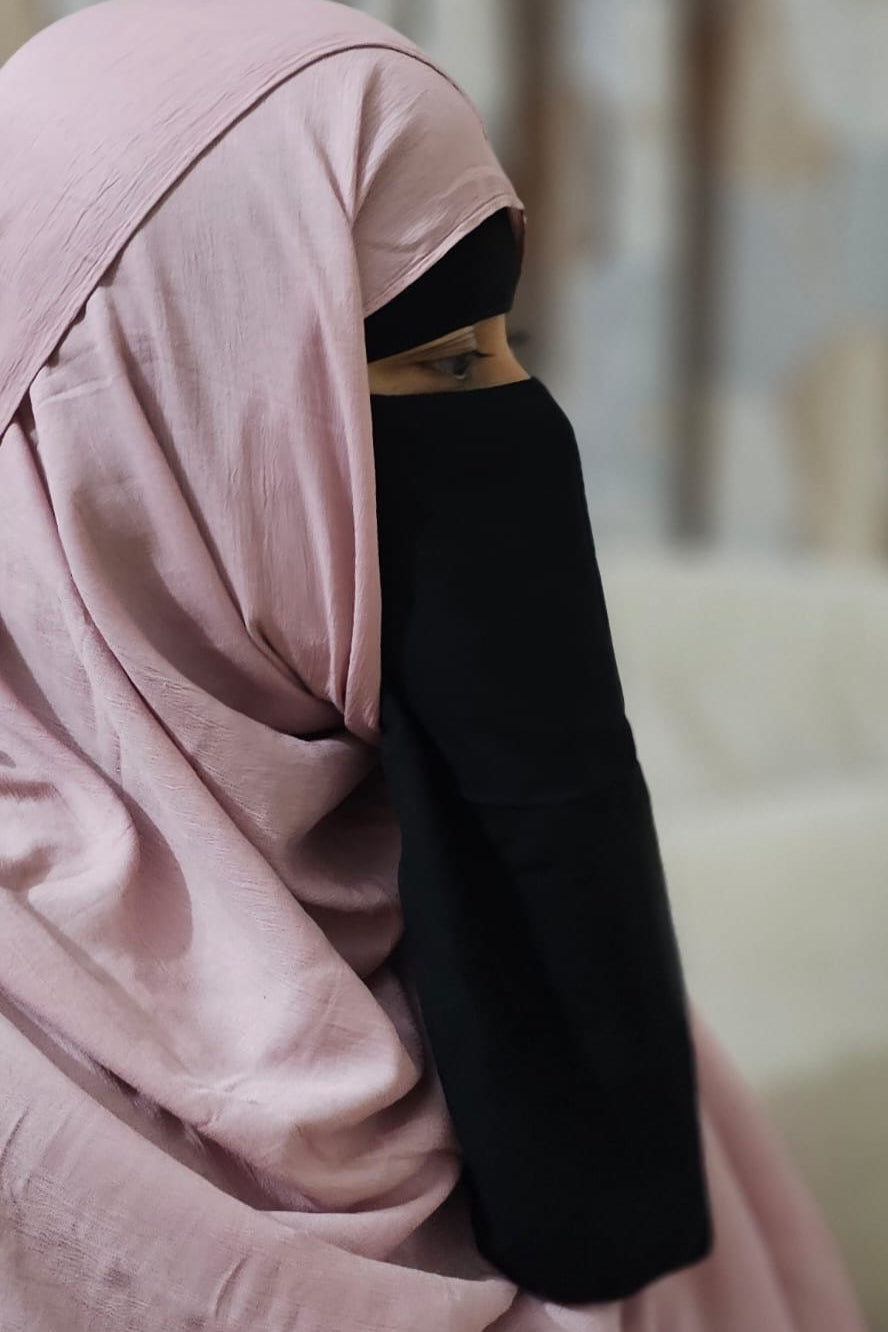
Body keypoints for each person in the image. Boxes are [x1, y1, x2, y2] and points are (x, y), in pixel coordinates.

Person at [0, 1, 869, 1329]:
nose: (522, 427)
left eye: (510, 347)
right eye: (448, 363)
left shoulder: (505, 916)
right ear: (149, 429)